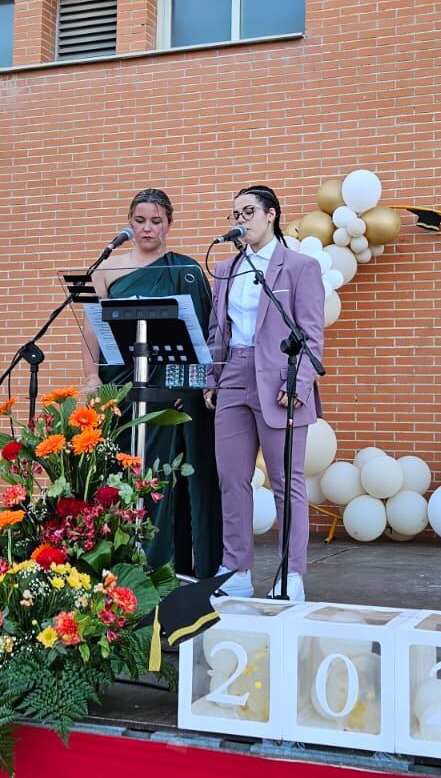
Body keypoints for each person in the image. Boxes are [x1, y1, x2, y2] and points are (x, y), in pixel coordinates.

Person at [81, 189, 222, 579]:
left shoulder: (185, 270)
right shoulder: (105, 270)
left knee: (159, 475)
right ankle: (113, 562)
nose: (147, 228)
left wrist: (191, 388)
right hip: (119, 389)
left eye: (156, 221)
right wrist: (92, 378)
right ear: (129, 223)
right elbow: (91, 331)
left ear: (169, 225)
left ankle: (162, 565)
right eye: (140, 220)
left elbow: (203, 336)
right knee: (116, 473)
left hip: (168, 393)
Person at [205, 185, 325, 601]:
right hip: (233, 375)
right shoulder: (225, 269)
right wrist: (212, 378)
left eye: (249, 212)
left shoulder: (299, 267)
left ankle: (291, 574)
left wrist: (299, 383)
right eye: (235, 214)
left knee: (286, 480)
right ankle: (236, 568)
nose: (240, 220)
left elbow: (311, 333)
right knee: (231, 478)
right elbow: (217, 330)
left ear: (271, 214)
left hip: (279, 378)